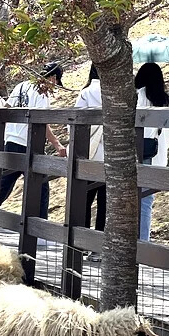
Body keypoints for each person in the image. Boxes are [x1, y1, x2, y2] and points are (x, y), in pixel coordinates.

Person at [0, 63, 67, 220]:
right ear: (52, 77)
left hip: (10, 140)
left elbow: (7, 108)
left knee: (4, 183)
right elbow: (42, 123)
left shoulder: (21, 86)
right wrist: (57, 144)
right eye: (56, 81)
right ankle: (40, 225)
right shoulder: (41, 92)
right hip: (28, 143)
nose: (54, 85)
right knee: (40, 185)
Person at [135, 62, 169, 241]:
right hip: (157, 155)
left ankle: (136, 242)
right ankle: (143, 241)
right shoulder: (167, 100)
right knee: (146, 201)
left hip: (138, 154)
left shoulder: (137, 96)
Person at [74, 65, 105, 261]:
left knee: (84, 199)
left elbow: (77, 119)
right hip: (110, 155)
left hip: (89, 153)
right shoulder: (120, 92)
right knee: (105, 203)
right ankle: (98, 248)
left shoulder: (86, 93)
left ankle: (81, 244)